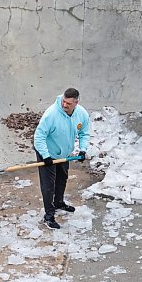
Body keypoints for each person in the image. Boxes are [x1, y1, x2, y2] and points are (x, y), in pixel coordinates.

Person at [33, 88, 90, 229]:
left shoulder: (82, 114)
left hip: (64, 154)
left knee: (62, 178)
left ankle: (59, 202)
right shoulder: (51, 114)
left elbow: (84, 133)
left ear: (76, 102)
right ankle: (49, 216)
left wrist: (82, 149)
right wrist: (45, 156)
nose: (64, 105)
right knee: (48, 185)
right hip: (47, 152)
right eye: (64, 101)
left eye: (68, 103)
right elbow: (38, 137)